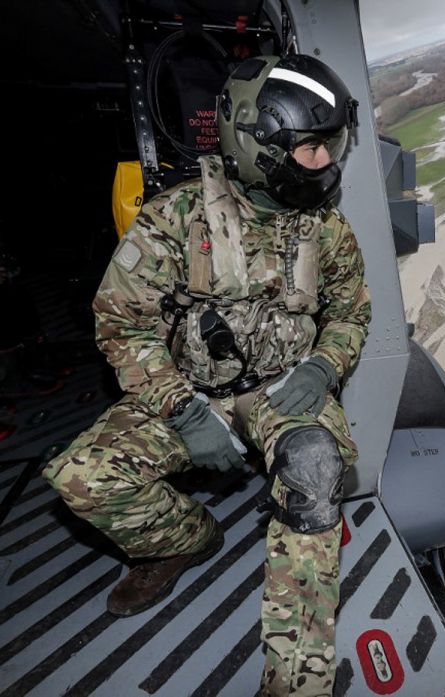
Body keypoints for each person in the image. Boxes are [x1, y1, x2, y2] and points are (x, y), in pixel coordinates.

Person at [43, 54, 371, 696]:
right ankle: (183, 541)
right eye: (310, 149)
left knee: (314, 473)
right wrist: (182, 407)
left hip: (286, 389)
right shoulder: (174, 221)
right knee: (83, 479)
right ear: (257, 146)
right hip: (192, 391)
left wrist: (326, 364)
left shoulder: (324, 226)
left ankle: (296, 682)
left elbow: (352, 311)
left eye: (331, 146)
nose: (325, 163)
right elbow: (121, 324)